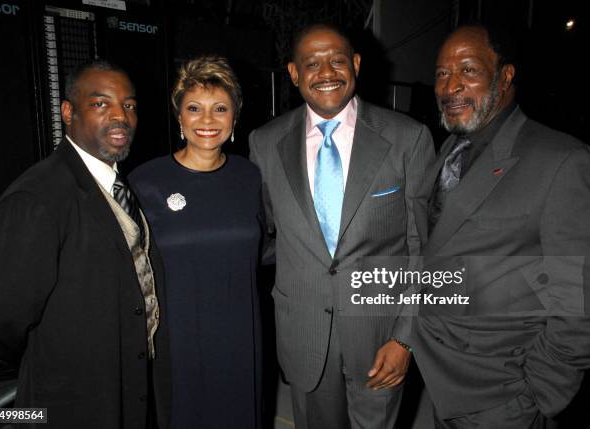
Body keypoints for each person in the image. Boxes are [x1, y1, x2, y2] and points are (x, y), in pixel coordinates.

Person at [249, 23, 435, 429]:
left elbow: (426, 247)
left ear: (356, 63)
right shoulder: (264, 143)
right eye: (311, 63)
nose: (327, 72)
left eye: (337, 60)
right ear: (294, 74)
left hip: (381, 335)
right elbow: (261, 235)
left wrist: (406, 337)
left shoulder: (409, 138)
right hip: (304, 334)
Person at [412, 24, 590, 428]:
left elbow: (579, 300)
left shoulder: (561, 160)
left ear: (505, 75)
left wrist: (537, 393)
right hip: (435, 382)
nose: (450, 85)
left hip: (503, 395)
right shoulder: (450, 150)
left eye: (468, 70)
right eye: (442, 73)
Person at [0, 60, 170, 428]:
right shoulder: (37, 198)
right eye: (101, 103)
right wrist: (56, 360)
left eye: (129, 105)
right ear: (68, 112)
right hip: (70, 404)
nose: (120, 116)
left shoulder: (114, 184)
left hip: (125, 394)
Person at [129, 55, 263, 429]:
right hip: (178, 340)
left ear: (235, 118)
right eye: (194, 108)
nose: (207, 120)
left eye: (220, 108)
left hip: (240, 336)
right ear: (179, 117)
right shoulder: (145, 181)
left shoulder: (250, 176)